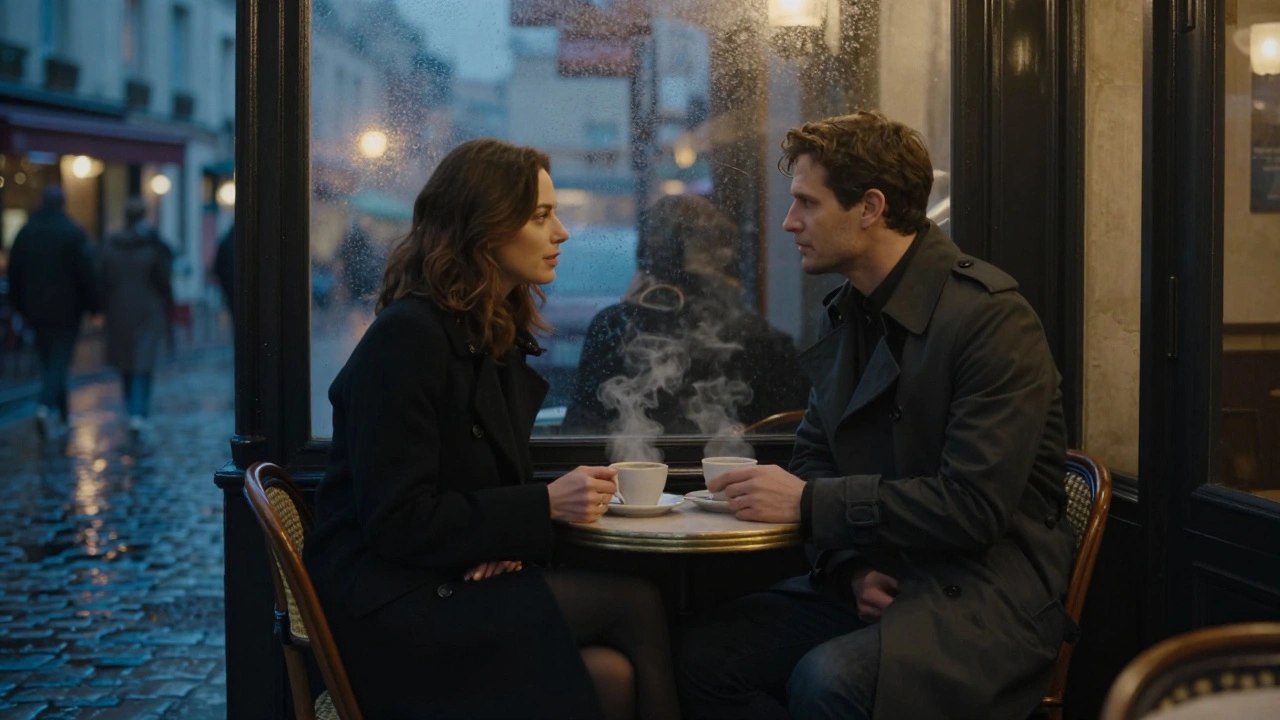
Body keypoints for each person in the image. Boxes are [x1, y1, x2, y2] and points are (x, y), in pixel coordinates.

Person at [676, 111, 1077, 720]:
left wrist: (812, 508)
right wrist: (850, 568)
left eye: (806, 203)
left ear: (870, 207)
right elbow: (815, 454)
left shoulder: (992, 319)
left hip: (982, 598)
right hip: (880, 577)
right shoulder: (847, 310)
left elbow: (973, 509)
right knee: (699, 659)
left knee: (827, 680)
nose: (789, 223)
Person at [304, 138, 682, 720]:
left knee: (614, 673)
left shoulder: (484, 331)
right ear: (482, 228)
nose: (562, 233)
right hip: (390, 608)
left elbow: (462, 493)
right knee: (636, 604)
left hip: (431, 582)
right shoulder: (408, 338)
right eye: (540, 216)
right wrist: (542, 508)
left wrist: (501, 539)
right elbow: (397, 520)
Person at [562, 194, 809, 434]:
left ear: (648, 257)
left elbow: (578, 431)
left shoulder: (615, 324)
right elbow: (794, 429)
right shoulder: (757, 335)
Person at [7, 185, 99, 442]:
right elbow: (86, 275)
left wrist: (19, 305)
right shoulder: (72, 233)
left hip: (34, 309)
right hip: (66, 311)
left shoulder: (27, 232)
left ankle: (62, 416)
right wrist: (94, 306)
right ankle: (46, 407)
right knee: (58, 361)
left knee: (50, 361)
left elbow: (14, 273)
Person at [99, 198, 174, 440]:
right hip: (147, 311)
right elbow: (163, 280)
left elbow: (102, 278)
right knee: (142, 364)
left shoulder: (112, 246)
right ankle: (138, 413)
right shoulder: (152, 246)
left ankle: (133, 410)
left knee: (127, 364)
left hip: (119, 310)